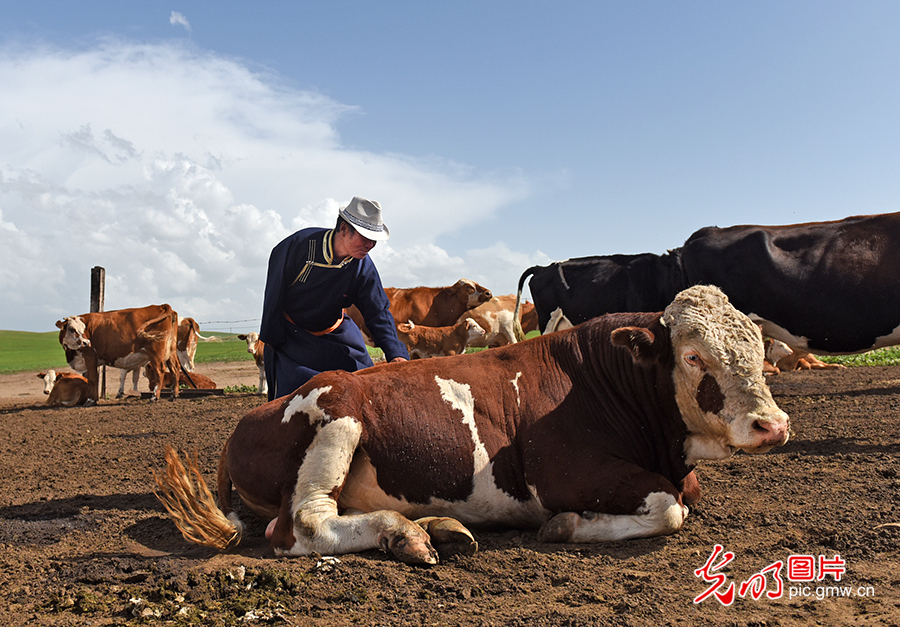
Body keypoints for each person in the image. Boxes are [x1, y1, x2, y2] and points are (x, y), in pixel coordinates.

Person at [259, 196, 409, 400]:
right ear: (344, 229)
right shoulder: (298, 246)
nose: (370, 245)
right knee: (297, 397)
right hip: (294, 335)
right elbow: (274, 292)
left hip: (336, 331)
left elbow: (377, 310)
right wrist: (272, 339)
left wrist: (396, 353)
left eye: (374, 239)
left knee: (365, 383)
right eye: (365, 237)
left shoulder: (362, 265)